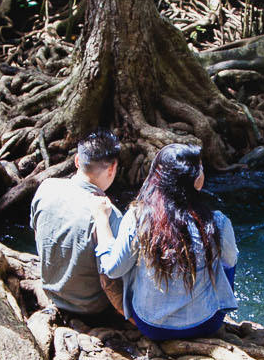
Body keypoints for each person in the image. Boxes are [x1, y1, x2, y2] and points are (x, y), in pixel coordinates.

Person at [98, 142, 238, 341]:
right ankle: (220, 302)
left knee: (126, 259)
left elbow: (113, 270)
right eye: (200, 168)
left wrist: (102, 221)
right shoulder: (217, 221)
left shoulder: (138, 217)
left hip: (152, 326)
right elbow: (229, 262)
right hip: (207, 324)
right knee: (227, 259)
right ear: (196, 180)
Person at [30, 130, 125, 320]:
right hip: (90, 307)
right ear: (112, 169)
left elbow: (37, 233)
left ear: (76, 161)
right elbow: (111, 275)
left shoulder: (46, 187)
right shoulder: (110, 214)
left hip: (51, 293)